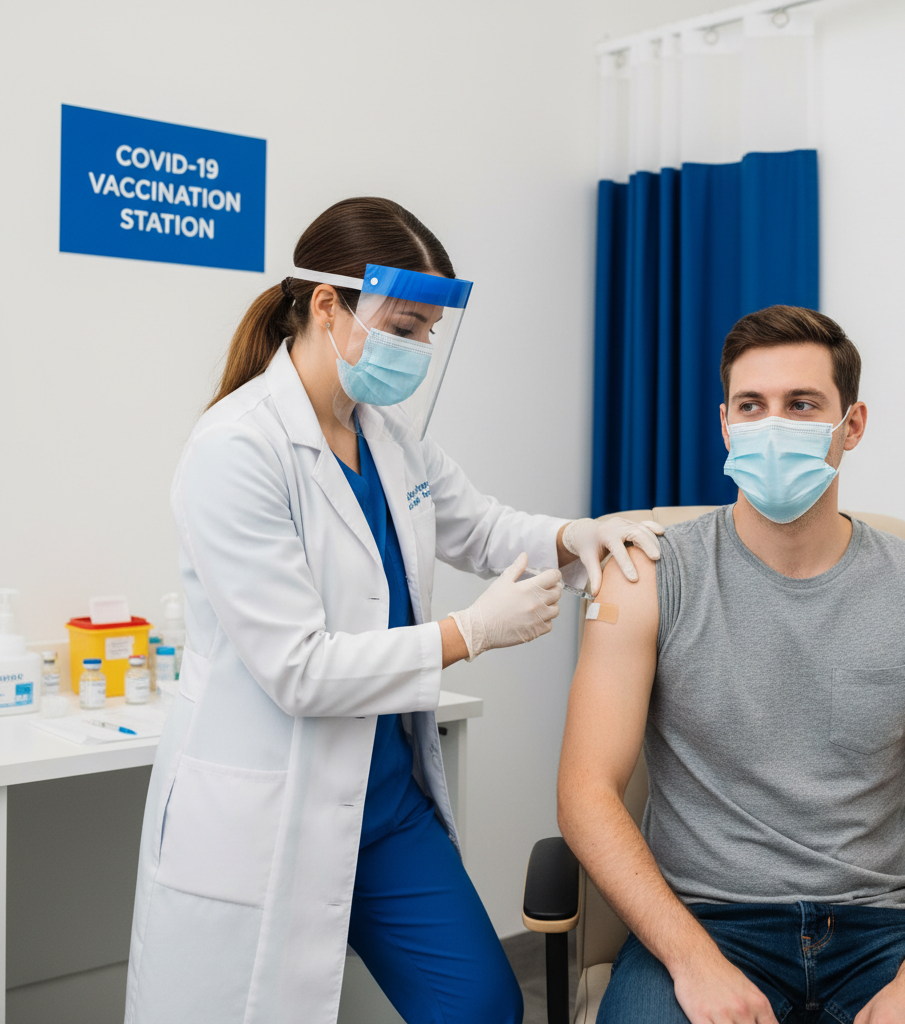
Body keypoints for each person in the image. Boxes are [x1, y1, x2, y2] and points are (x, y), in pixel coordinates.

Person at [124, 196, 663, 1024]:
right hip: (269, 807)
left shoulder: (387, 435)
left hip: (381, 803)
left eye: (425, 336)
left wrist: (574, 533)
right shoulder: (236, 449)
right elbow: (298, 670)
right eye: (403, 328)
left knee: (482, 1003)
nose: (415, 351)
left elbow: (481, 526)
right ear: (328, 305)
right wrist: (469, 633)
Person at [557, 306, 905, 1024]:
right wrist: (692, 961)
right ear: (725, 425)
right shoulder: (646, 573)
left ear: (853, 425)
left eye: (801, 405)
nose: (772, 425)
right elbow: (587, 790)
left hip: (884, 930)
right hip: (703, 922)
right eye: (752, 406)